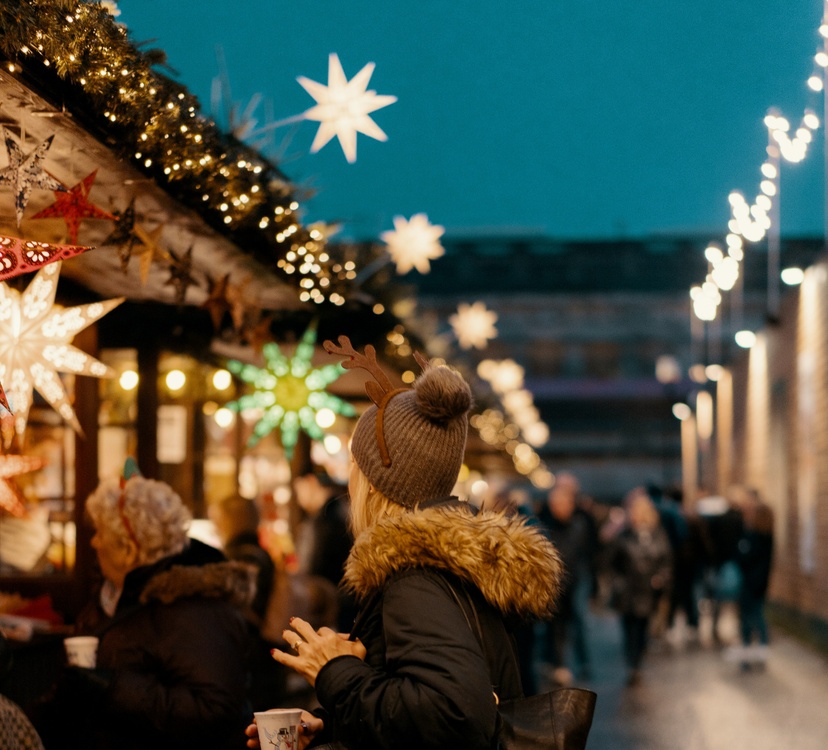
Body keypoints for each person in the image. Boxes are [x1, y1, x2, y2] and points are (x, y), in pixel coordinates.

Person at [246, 338, 563, 750]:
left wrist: (335, 670)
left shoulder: (415, 578)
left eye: (355, 466)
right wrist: (333, 725)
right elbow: (417, 709)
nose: (350, 479)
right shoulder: (451, 564)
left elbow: (453, 715)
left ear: (376, 483)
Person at [34, 464, 255, 750]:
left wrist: (112, 688)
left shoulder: (195, 608)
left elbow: (214, 711)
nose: (93, 541)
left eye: (99, 532)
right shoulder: (112, 594)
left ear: (128, 549)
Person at [211, 493, 286, 711]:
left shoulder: (242, 558)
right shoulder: (259, 554)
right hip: (263, 660)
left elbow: (241, 613)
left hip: (252, 661)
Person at [608, 492, 672, 685]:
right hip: (628, 591)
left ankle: (637, 661)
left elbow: (666, 561)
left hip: (647, 591)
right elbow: (611, 562)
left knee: (642, 629)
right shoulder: (623, 536)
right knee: (629, 629)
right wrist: (617, 582)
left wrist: (661, 578)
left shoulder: (657, 535)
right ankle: (632, 665)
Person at [537, 471, 595, 684]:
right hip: (555, 582)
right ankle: (558, 664)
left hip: (577, 579)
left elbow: (590, 551)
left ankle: (582, 663)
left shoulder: (582, 520)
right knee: (555, 626)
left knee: (578, 623)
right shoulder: (545, 521)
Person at [292, 466, 355, 632]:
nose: (299, 498)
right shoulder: (343, 510)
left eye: (299, 489)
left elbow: (312, 568)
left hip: (332, 608)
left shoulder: (325, 519)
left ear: (311, 481)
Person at [732, 490, 774, 670]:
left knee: (749, 618)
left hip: (750, 583)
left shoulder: (753, 536)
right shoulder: (768, 536)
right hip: (760, 582)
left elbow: (743, 557)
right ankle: (761, 650)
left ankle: (748, 652)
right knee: (758, 615)